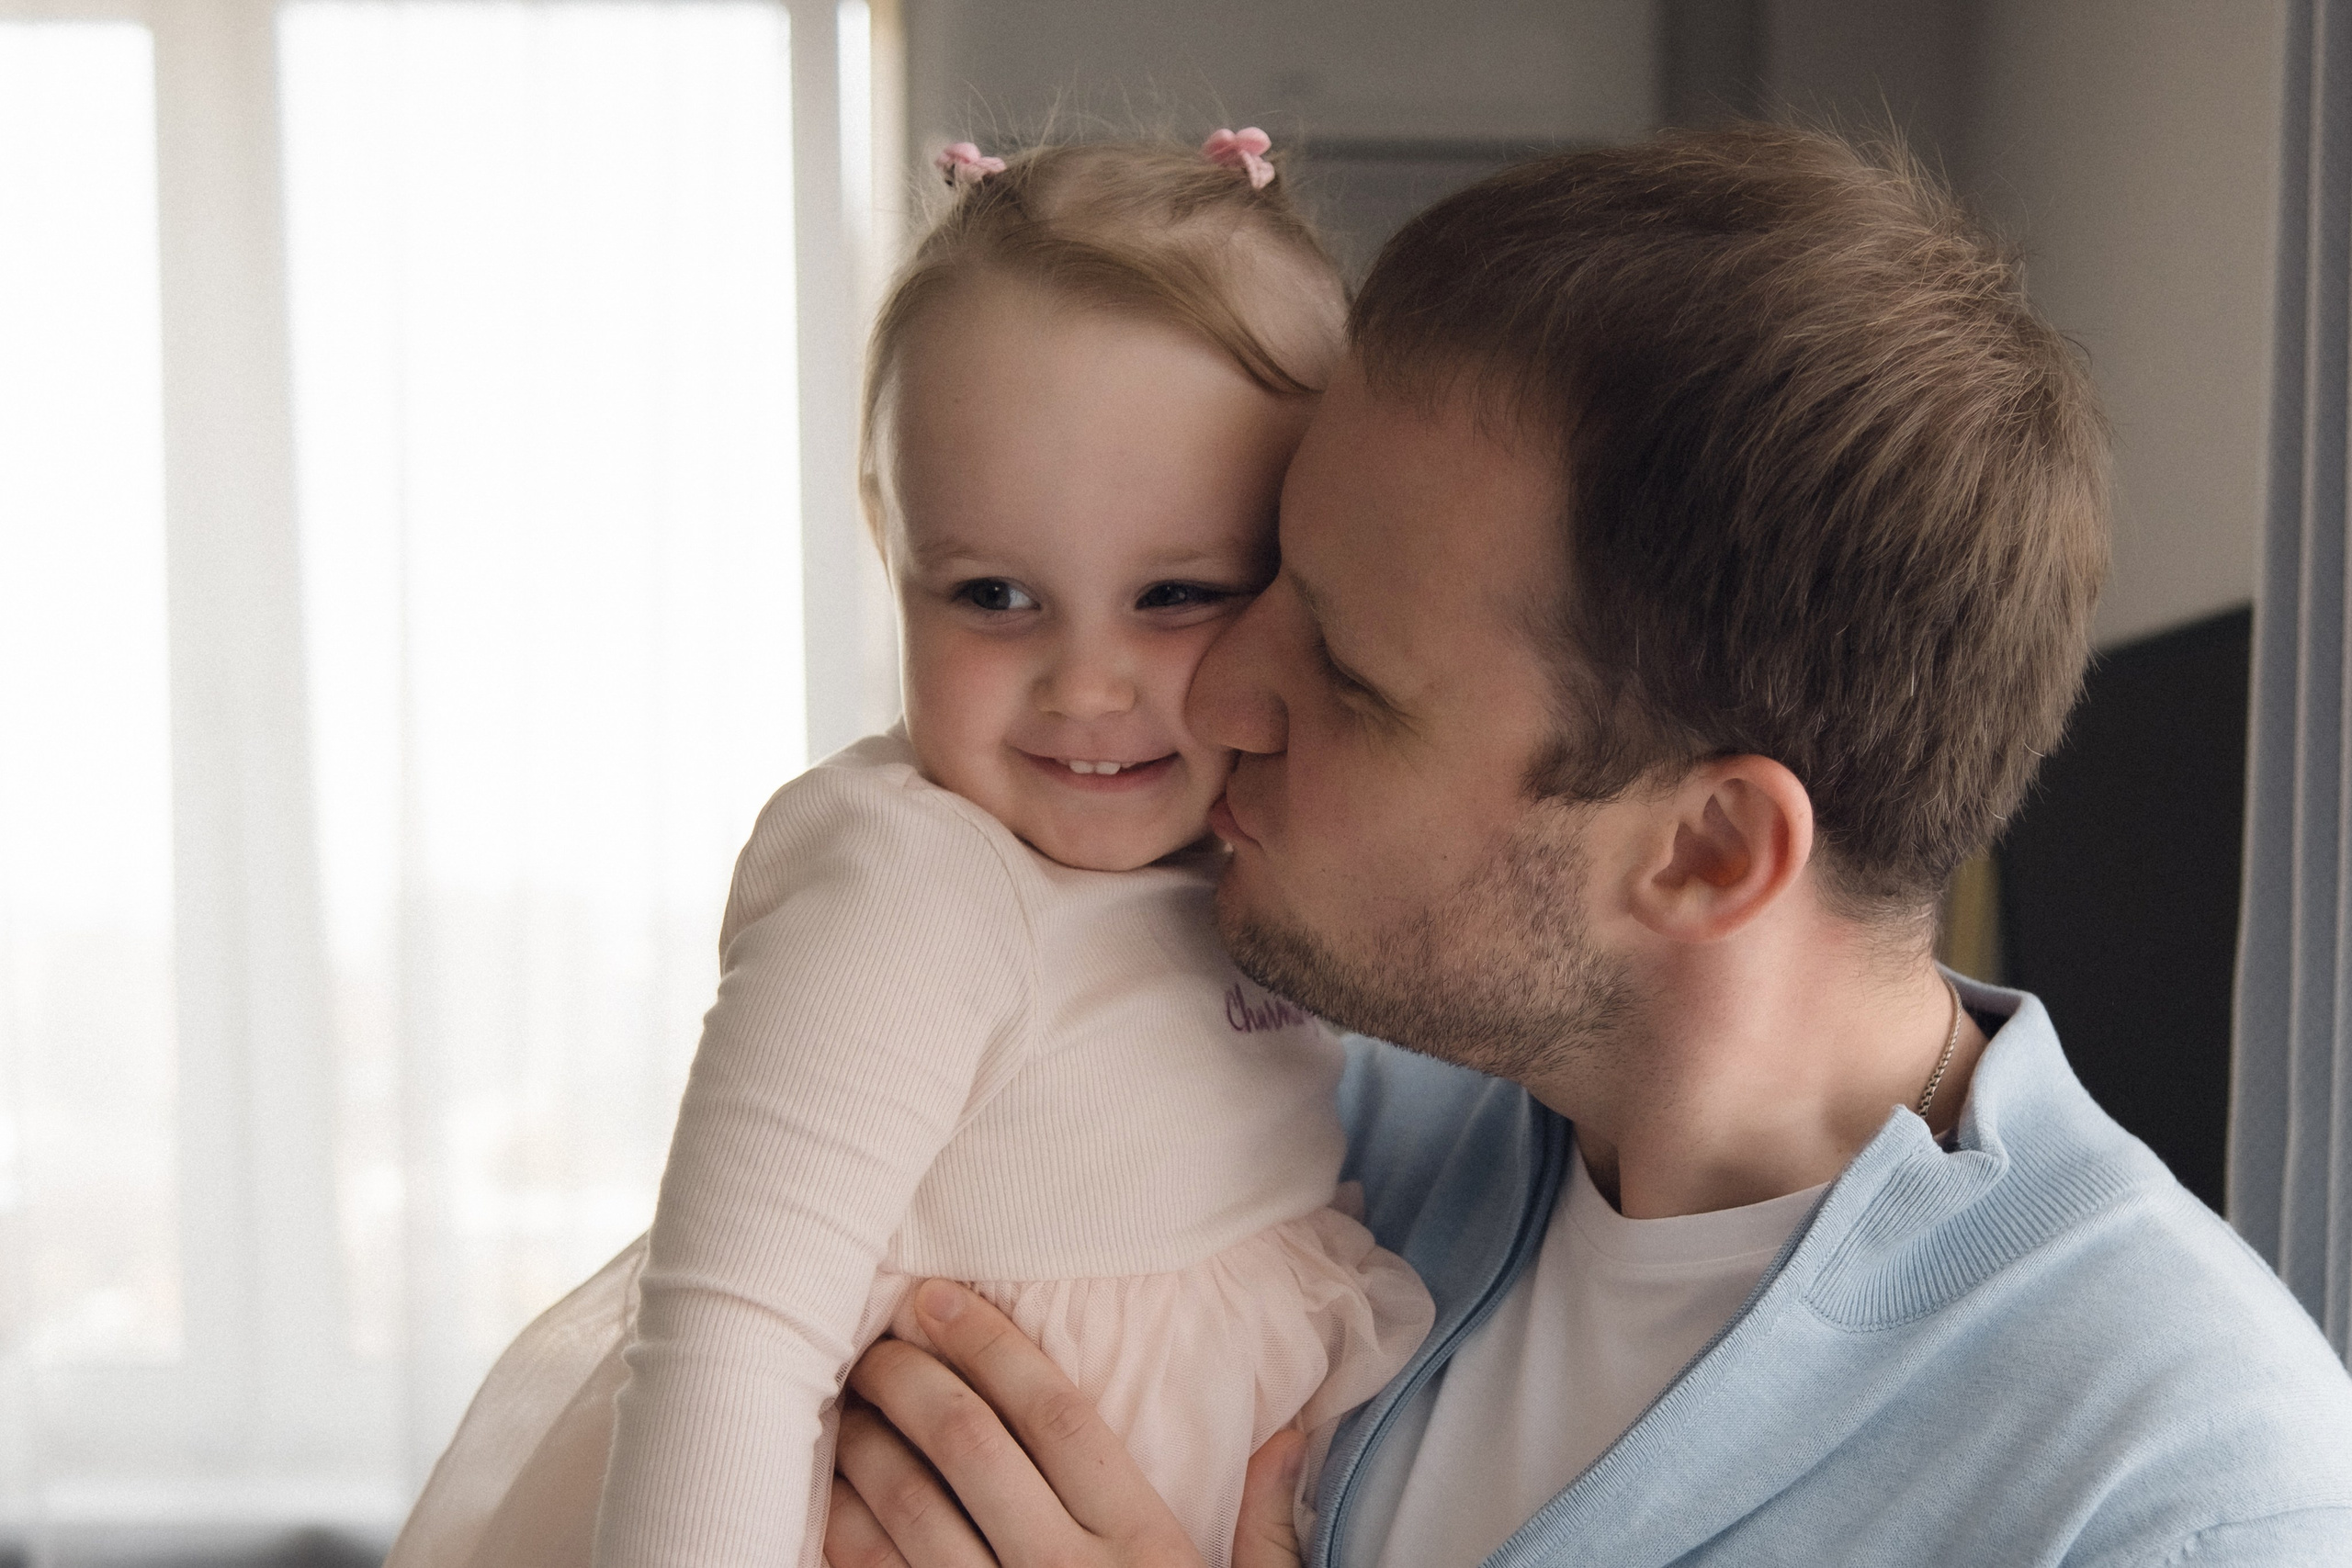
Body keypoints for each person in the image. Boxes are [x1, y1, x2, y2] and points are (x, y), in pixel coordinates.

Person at [823, 123, 2352, 1567]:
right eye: (1261, 578)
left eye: (1349, 676)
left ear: (1702, 851)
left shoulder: (2181, 1492)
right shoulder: (1294, 1117)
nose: (1219, 696)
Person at [380, 133, 1431, 1568]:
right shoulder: (912, 884)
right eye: (993, 595)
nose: (1087, 684)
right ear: (892, 546)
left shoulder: (1256, 861)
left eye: (1177, 595)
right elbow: (734, 1333)